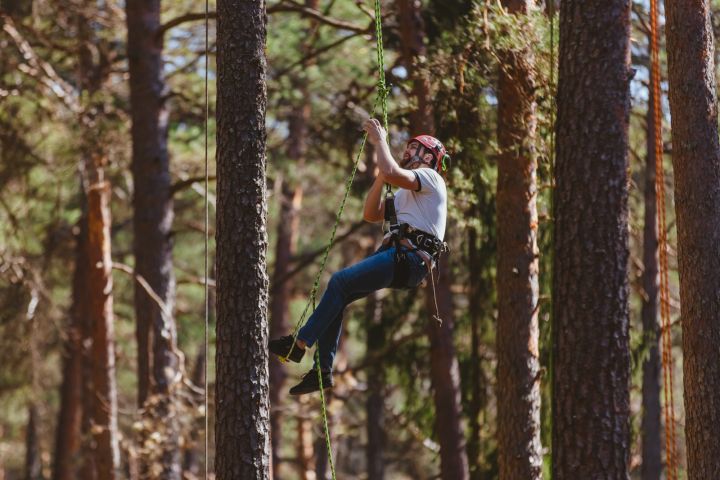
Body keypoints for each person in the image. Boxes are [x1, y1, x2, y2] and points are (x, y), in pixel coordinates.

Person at [268, 118, 449, 395]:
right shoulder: (405, 192)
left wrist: (380, 142)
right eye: (409, 147)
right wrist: (381, 176)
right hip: (399, 257)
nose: (409, 152)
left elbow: (391, 170)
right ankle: (322, 371)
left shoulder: (431, 179)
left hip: (409, 258)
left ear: (429, 157)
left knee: (340, 282)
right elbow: (371, 213)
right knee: (339, 296)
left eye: (415, 149)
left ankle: (299, 344)